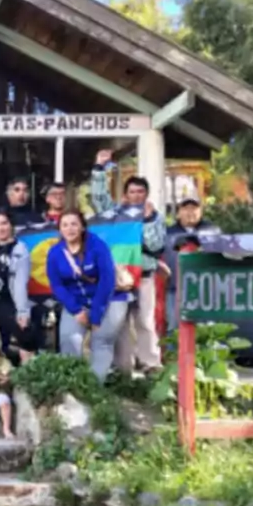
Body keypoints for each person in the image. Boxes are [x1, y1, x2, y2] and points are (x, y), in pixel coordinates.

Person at [89, 149, 167, 373]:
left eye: (141, 191)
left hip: (143, 277)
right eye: (132, 192)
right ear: (125, 195)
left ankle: (151, 364)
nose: (136, 195)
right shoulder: (115, 214)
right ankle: (123, 367)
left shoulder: (154, 216)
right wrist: (99, 169)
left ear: (146, 194)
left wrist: (150, 220)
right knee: (120, 324)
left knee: (145, 322)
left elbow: (155, 245)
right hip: (119, 279)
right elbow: (99, 198)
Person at [46, 210, 129, 381]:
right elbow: (57, 285)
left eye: (74, 224)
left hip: (109, 300)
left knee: (101, 341)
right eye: (65, 225)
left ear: (82, 227)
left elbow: (107, 281)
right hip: (77, 302)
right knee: (69, 339)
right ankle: (73, 384)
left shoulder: (97, 246)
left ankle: (94, 386)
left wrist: (96, 316)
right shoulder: (55, 253)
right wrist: (76, 310)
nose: (70, 229)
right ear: (60, 229)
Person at [0, 210, 37, 364]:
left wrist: (23, 311)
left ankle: (27, 377)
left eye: (4, 223)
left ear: (11, 226)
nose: (0, 228)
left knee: (26, 335)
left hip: (7, 300)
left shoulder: (19, 249)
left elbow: (20, 282)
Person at [163, 195, 221, 332]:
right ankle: (175, 354)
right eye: (186, 208)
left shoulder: (212, 230)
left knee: (208, 328)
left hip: (205, 289)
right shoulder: (168, 233)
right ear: (178, 212)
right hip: (174, 289)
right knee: (174, 328)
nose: (190, 212)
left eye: (194, 208)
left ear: (201, 211)